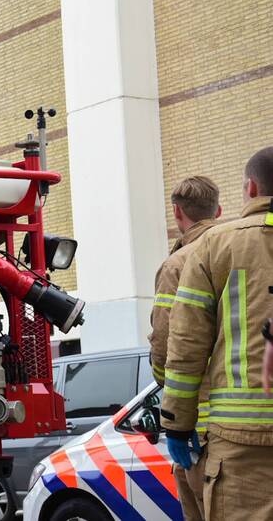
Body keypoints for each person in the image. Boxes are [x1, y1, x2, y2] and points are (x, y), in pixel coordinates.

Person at [161, 146, 273, 520]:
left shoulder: (214, 247)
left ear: (251, 188)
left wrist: (177, 423)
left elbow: (183, 345)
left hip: (242, 442)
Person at [149, 176, 220, 520]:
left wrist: (172, 402)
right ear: (217, 211)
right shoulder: (240, 249)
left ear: (177, 212)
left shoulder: (178, 265)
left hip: (198, 427)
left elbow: (165, 345)